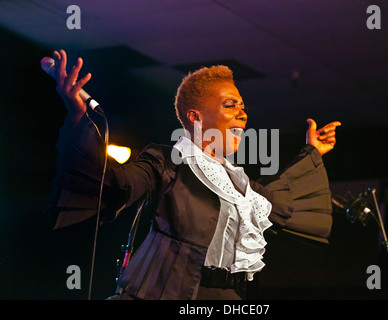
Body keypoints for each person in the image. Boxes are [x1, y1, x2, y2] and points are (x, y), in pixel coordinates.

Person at [45, 49, 341, 300]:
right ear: (196, 117)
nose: (243, 113)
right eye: (230, 105)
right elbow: (115, 184)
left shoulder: (239, 183)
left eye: (243, 107)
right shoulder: (166, 161)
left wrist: (311, 151)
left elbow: (282, 197)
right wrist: (78, 116)